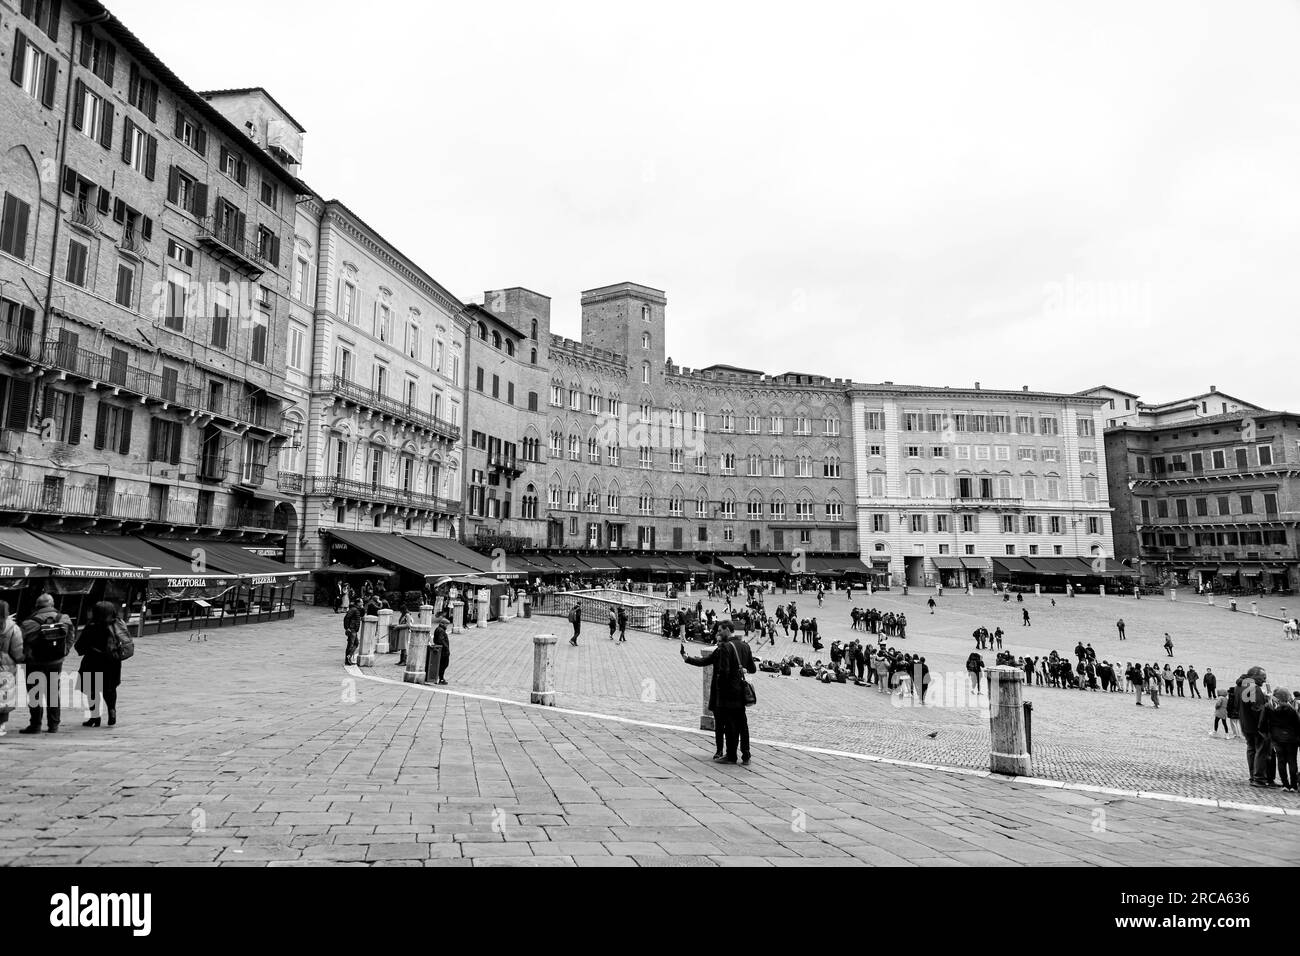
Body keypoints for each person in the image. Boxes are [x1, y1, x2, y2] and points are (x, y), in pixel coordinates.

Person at [682, 623, 756, 764]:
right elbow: (752, 668)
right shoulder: (746, 646)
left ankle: (731, 756)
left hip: (728, 693)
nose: (719, 633)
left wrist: (719, 692)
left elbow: (724, 672)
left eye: (721, 631)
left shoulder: (724, 647)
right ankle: (746, 755)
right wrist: (743, 670)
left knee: (729, 726)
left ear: (728, 630)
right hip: (741, 692)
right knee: (742, 724)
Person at [20, 594, 74, 734]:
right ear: (52, 604)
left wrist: (26, 656)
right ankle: (53, 725)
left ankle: (36, 725)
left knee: (34, 693)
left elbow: (21, 642)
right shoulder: (64, 618)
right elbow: (70, 637)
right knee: (53, 692)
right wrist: (65, 651)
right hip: (56, 661)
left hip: (34, 662)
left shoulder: (28, 622)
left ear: (37, 605)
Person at [76, 601, 127, 728]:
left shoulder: (92, 626)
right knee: (109, 688)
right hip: (113, 662)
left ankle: (95, 717)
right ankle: (112, 710)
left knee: (91, 689)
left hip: (93, 661)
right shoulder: (117, 625)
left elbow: (80, 646)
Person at [1238, 667, 1275, 788]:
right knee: (1261, 751)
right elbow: (1257, 709)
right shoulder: (1254, 688)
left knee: (1252, 749)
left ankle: (1253, 776)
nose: (1265, 680)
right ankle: (1259, 779)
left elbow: (1245, 705)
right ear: (1254, 675)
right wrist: (1268, 701)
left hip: (1246, 724)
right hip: (1257, 726)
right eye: (1263, 677)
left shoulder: (1243, 685)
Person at [1261, 688, 1299, 791]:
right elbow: (1297, 725)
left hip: (1277, 739)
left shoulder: (1274, 710)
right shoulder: (1292, 710)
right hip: (1291, 739)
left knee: (1281, 761)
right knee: (1292, 761)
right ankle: (1293, 785)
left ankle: (1285, 784)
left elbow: (1267, 724)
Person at [0, 601, 22, 737]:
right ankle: (0, 725)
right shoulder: (13, 628)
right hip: (6, 665)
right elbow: (17, 651)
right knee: (4, 695)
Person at [431, 617, 451, 685]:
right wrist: (446, 648)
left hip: (441, 650)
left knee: (443, 664)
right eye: (446, 624)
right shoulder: (441, 630)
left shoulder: (439, 629)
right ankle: (441, 678)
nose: (447, 626)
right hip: (443, 651)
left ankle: (440, 678)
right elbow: (441, 640)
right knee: (444, 664)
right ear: (443, 624)